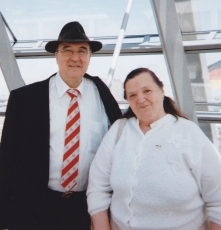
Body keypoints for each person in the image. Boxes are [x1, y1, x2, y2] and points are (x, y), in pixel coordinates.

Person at [0, 21, 122, 230]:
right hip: (37, 207)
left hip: (86, 209)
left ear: (90, 57)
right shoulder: (25, 99)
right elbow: (7, 159)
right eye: (67, 50)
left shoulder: (104, 97)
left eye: (82, 50)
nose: (75, 57)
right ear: (56, 55)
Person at [87, 67, 221, 230]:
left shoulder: (188, 132)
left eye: (147, 90)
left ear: (162, 91)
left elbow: (218, 198)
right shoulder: (119, 131)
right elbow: (97, 188)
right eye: (132, 95)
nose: (141, 99)